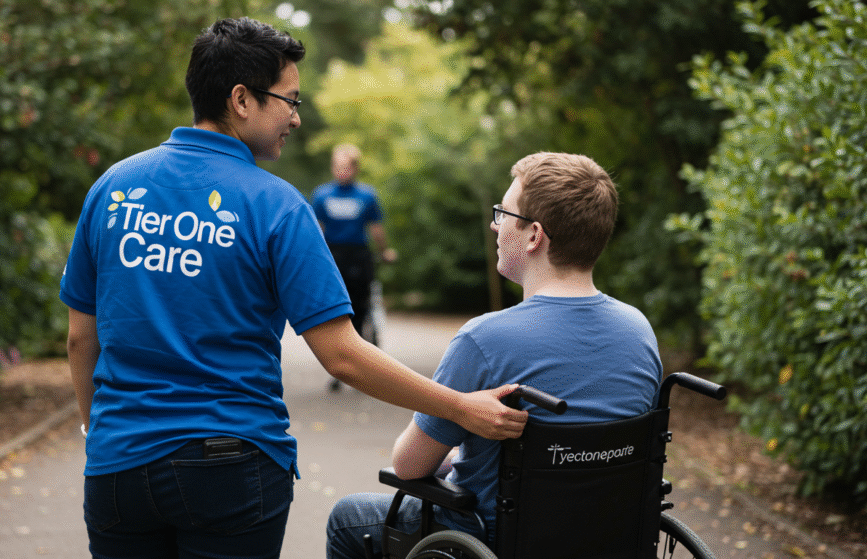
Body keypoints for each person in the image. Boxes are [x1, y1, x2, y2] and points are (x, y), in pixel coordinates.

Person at [60, 17, 527, 559]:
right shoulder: (277, 205)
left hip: (119, 467)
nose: (297, 118)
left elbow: (80, 340)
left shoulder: (111, 188)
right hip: (231, 466)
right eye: (289, 100)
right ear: (241, 99)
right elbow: (343, 357)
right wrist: (461, 408)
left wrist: (102, 434)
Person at [326, 152, 664, 559]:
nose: (494, 224)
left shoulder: (485, 339)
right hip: (606, 536)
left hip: (496, 536)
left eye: (503, 213)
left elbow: (410, 466)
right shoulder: (638, 330)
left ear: (534, 235)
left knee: (347, 518)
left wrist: (454, 456)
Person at [311, 144, 396, 343]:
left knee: (359, 307)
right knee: (333, 307)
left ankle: (360, 354)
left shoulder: (367, 195)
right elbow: (317, 229)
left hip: (358, 256)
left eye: (347, 166)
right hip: (333, 255)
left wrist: (384, 251)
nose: (342, 171)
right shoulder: (322, 194)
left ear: (356, 168)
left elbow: (376, 228)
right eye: (338, 166)